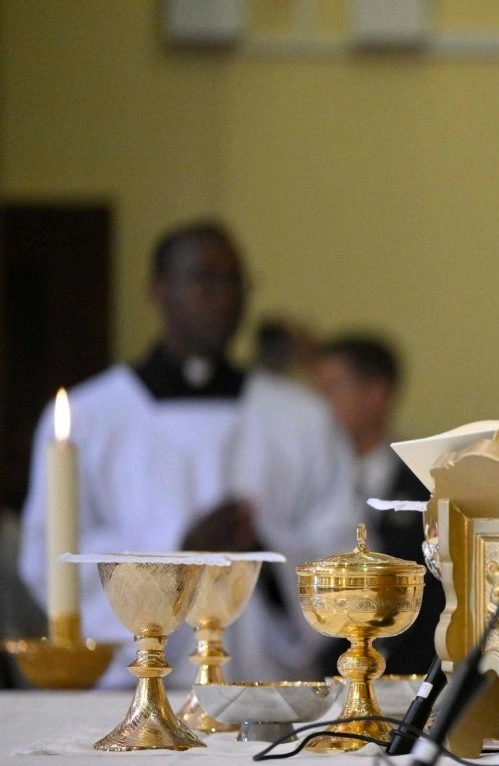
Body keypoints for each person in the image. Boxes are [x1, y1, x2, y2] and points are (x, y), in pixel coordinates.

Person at [19, 220, 360, 689]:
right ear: (158, 292)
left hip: (264, 694)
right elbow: (52, 558)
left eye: (234, 281)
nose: (224, 297)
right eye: (203, 280)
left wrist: (260, 552)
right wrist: (179, 558)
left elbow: (339, 544)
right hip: (128, 695)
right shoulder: (90, 415)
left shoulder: (301, 417)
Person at [314, 335, 442, 675]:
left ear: (376, 395)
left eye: (332, 388)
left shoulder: (426, 485)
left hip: (404, 673)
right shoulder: (305, 484)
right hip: (322, 667)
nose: (318, 405)